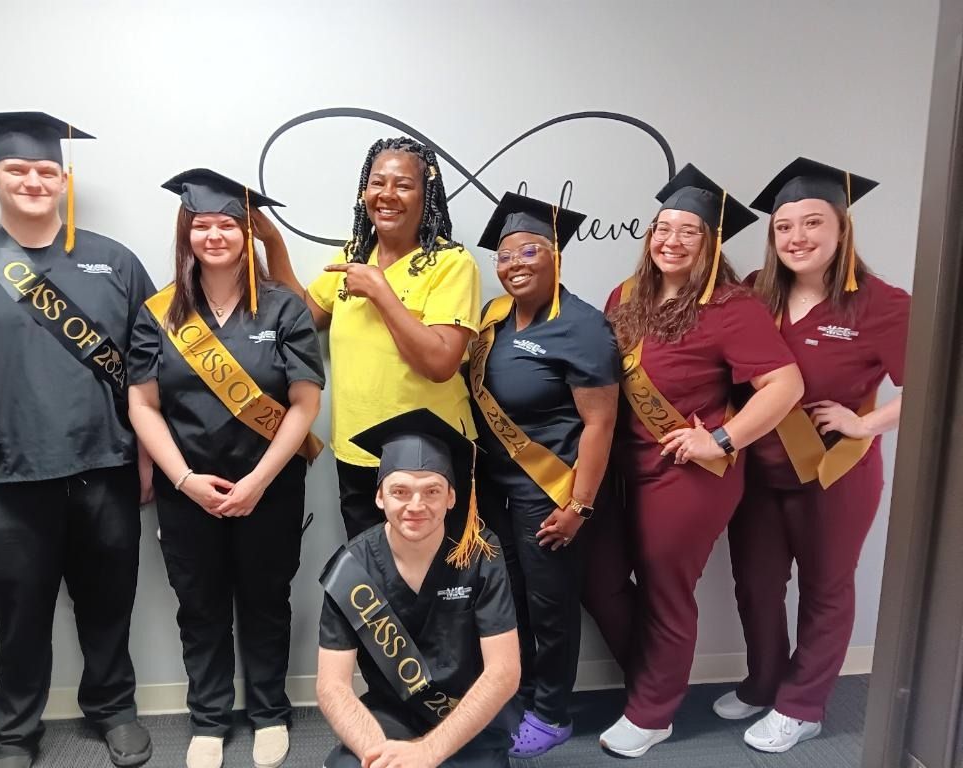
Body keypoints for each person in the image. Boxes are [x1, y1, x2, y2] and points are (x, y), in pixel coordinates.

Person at [0, 111, 154, 768]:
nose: (33, 180)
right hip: (5, 477)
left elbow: (147, 379)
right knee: (20, 616)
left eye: (45, 170)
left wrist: (146, 464)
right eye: (17, 169)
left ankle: (113, 708)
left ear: (63, 179)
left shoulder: (115, 262)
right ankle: (14, 732)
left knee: (109, 605)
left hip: (107, 469)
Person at [594, 164, 805, 758]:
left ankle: (654, 712)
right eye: (664, 227)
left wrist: (724, 438)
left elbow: (784, 386)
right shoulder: (624, 296)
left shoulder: (731, 308)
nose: (672, 240)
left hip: (687, 475)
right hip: (622, 469)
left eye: (690, 231)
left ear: (711, 244)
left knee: (666, 589)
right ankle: (653, 676)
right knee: (602, 576)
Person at [128, 169, 325, 768]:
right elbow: (142, 403)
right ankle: (209, 719)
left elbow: (305, 403)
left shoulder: (286, 307)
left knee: (267, 600)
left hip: (269, 486)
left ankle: (269, 712)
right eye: (202, 226)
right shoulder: (159, 312)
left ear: (248, 232)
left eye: (228, 225)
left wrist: (257, 481)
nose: (215, 236)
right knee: (200, 606)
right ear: (187, 233)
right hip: (187, 490)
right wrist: (185, 480)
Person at [713, 158, 910, 753]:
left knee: (826, 589)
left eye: (812, 223)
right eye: (783, 227)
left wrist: (865, 421)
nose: (797, 238)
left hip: (833, 474)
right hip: (760, 472)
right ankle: (765, 680)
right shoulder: (754, 293)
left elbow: (938, 381)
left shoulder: (882, 303)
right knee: (756, 584)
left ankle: (803, 705)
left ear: (841, 229)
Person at [257, 136, 481, 538]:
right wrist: (273, 242)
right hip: (357, 454)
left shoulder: (451, 263)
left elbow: (441, 363)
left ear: (425, 193)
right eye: (377, 183)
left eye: (403, 185)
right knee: (373, 586)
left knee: (434, 586)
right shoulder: (354, 256)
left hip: (427, 460)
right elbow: (303, 315)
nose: (387, 195)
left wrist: (380, 292)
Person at [470, 192, 619, 757]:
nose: (515, 263)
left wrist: (579, 506)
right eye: (505, 255)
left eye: (530, 249)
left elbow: (600, 424)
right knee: (513, 601)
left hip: (550, 490)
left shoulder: (580, 326)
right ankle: (525, 692)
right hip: (497, 492)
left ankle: (553, 711)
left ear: (556, 255)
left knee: (552, 606)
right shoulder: (494, 320)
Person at [316, 408, 521, 768]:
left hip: (467, 712)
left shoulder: (481, 555)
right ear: (380, 497)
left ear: (451, 498)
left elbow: (504, 672)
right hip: (389, 716)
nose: (416, 505)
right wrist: (379, 756)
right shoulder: (352, 567)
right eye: (400, 491)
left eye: (431, 491)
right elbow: (332, 686)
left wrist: (428, 752)